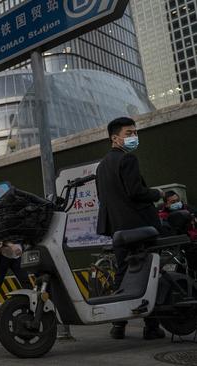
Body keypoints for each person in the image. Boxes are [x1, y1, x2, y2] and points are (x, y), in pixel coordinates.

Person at [96, 117, 165, 340]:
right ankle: (152, 327)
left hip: (118, 230)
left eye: (135, 132)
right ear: (114, 138)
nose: (134, 137)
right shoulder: (128, 160)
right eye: (129, 133)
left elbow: (103, 199)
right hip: (140, 227)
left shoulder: (101, 166)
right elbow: (136, 193)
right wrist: (158, 194)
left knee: (122, 275)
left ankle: (118, 325)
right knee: (150, 274)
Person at [0, 242, 31, 317]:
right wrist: (11, 245)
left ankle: (31, 305)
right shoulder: (0, 231)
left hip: (17, 257)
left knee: (25, 281)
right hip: (2, 256)